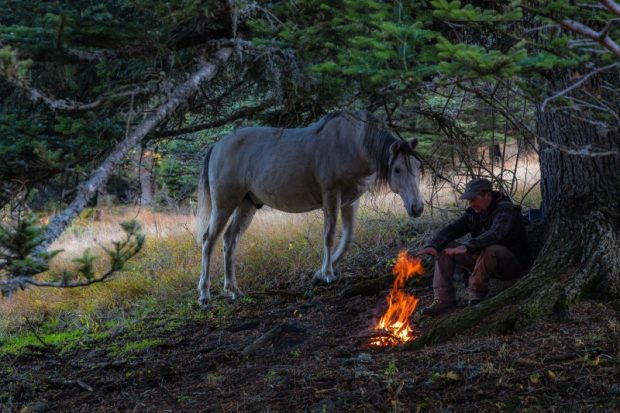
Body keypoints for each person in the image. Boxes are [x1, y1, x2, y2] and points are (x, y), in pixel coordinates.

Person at [416, 178, 531, 316]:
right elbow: (453, 229)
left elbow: (495, 234)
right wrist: (433, 245)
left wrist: (468, 246)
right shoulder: (473, 212)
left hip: (511, 264)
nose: (471, 204)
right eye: (469, 200)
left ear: (487, 195)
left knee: (491, 249)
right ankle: (442, 300)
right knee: (444, 249)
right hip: (482, 260)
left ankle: (476, 295)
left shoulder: (506, 209)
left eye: (474, 199)